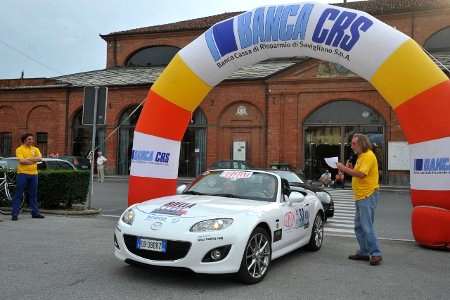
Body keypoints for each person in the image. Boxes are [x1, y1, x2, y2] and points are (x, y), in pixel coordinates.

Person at [337, 133, 382, 266]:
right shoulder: (361, 156)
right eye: (351, 143)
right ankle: (364, 251)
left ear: (362, 143)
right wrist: (350, 169)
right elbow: (358, 173)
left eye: (354, 143)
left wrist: (344, 169)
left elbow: (361, 174)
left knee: (366, 226)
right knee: (359, 226)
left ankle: (375, 253)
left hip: (367, 195)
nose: (352, 146)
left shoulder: (367, 156)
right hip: (361, 195)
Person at [12, 133, 45, 221]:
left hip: (34, 174)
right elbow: (22, 161)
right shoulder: (19, 149)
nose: (31, 141)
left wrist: (29, 160)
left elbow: (40, 159)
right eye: (29, 139)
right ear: (24, 140)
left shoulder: (36, 149)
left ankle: (35, 213)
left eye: (32, 139)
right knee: (18, 194)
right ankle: (14, 214)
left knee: (33, 195)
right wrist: (34, 160)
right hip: (22, 174)